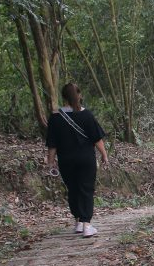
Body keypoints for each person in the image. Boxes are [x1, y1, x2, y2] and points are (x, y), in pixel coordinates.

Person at [46, 83, 108, 238]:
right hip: (86, 159)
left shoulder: (55, 117)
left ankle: (78, 222)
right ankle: (87, 224)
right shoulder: (86, 115)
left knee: (73, 189)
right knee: (86, 189)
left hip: (66, 160)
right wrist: (104, 155)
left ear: (64, 97)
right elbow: (97, 139)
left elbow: (52, 144)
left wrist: (50, 162)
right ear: (79, 95)